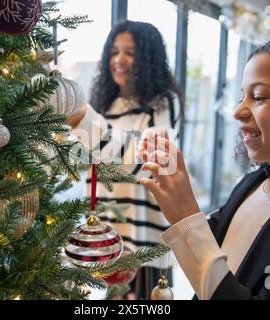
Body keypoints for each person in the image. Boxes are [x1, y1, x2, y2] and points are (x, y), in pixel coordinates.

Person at [139, 32, 270, 299]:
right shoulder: (255, 182)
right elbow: (218, 243)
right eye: (242, 96)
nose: (238, 111)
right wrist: (173, 202)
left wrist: (186, 218)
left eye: (259, 98)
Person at [67, 20, 184, 299]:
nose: (119, 60)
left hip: (145, 244)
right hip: (106, 240)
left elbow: (149, 167)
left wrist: (86, 122)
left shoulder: (162, 103)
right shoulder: (106, 104)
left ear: (147, 59)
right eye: (114, 52)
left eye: (130, 53)